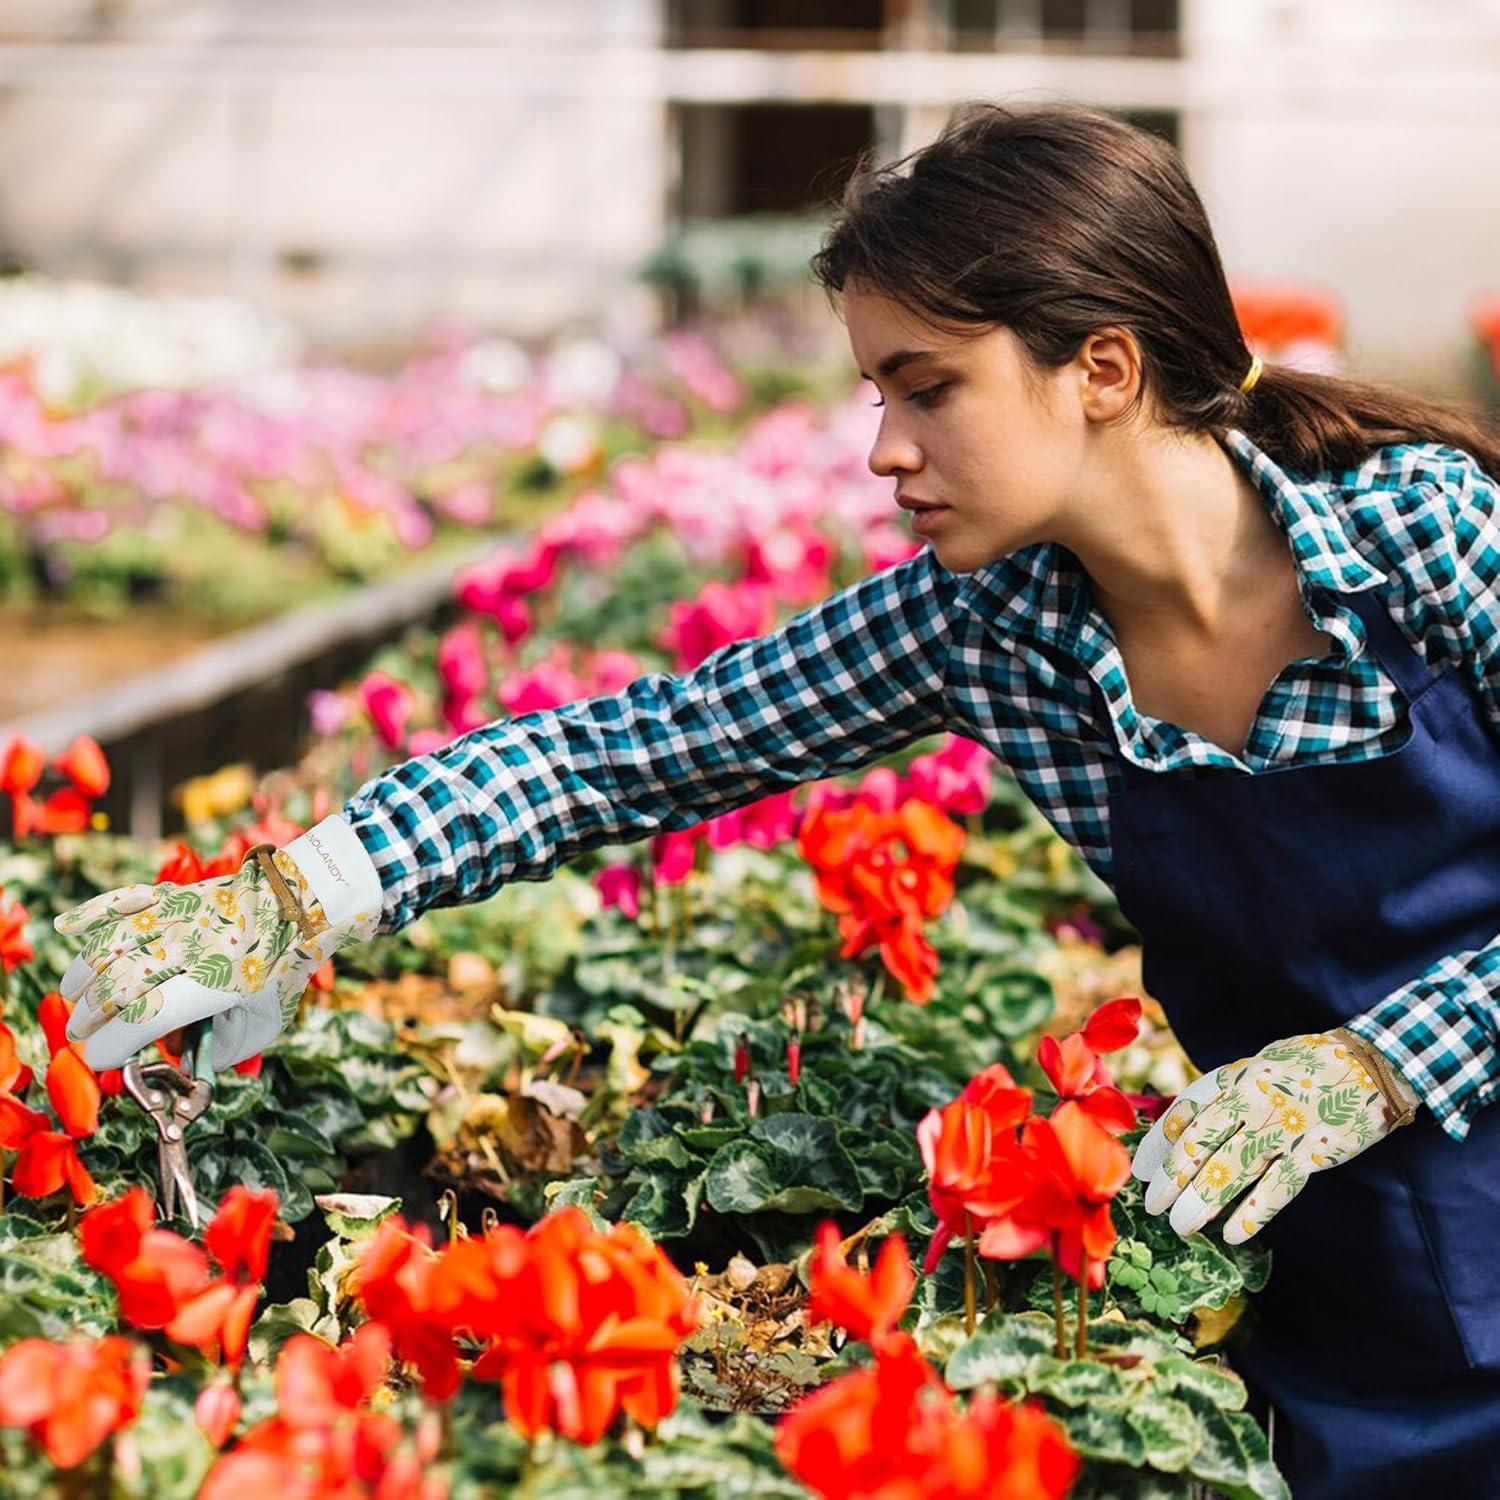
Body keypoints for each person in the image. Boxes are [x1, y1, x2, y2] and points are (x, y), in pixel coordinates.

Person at [53, 102, 1500, 1497]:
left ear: (1104, 368)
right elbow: (633, 751)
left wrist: (1371, 1069)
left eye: (930, 388)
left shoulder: (1424, 536)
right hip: (1322, 1256)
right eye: (879, 396)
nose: (885, 450)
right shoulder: (986, 627)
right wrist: (305, 891)